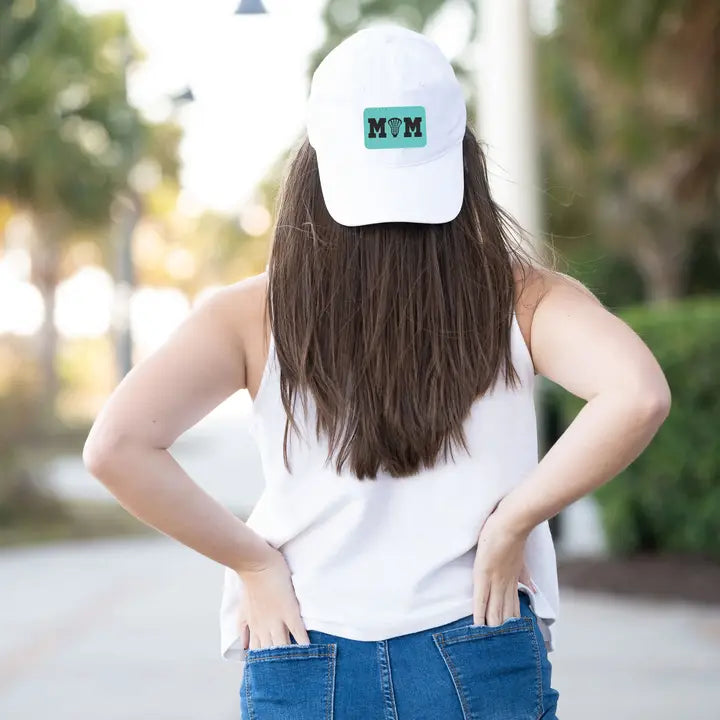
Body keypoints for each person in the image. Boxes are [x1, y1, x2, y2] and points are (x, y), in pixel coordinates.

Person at [83, 24, 671, 720]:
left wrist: (253, 561)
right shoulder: (525, 299)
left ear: (314, 165)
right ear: (462, 159)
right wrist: (512, 522)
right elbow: (636, 394)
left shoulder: (249, 314)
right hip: (480, 636)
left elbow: (116, 446)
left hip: (301, 643)